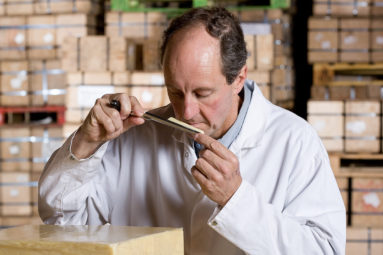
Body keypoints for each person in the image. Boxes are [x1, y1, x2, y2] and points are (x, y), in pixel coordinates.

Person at [39, 7, 346, 255]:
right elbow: (62, 223)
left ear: (239, 78)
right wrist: (84, 145)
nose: (186, 111)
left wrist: (236, 200)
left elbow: (324, 250)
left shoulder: (294, 141)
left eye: (202, 94)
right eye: (175, 91)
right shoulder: (135, 137)